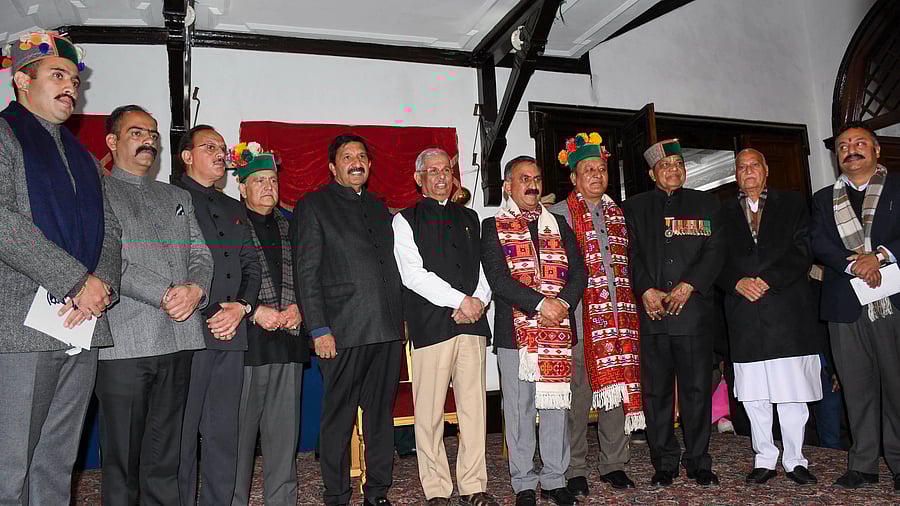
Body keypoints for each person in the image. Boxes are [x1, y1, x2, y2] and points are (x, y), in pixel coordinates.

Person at [0, 31, 122, 505]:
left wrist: (100, 286)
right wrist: (75, 280)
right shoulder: (5, 136)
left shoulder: (85, 158)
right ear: (21, 81)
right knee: (9, 464)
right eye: (58, 75)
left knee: (57, 461)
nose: (71, 87)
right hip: (20, 326)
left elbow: (110, 229)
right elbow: (4, 220)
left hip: (82, 322)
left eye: (74, 79)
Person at [98, 104, 213, 505]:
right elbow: (106, 258)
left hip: (179, 339)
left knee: (166, 459)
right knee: (123, 463)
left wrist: (196, 290)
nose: (148, 140)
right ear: (112, 141)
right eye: (137, 133)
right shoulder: (97, 191)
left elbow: (201, 254)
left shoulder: (176, 195)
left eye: (152, 134)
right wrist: (164, 293)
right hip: (124, 345)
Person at [292, 134, 404, 506]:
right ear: (332, 167)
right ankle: (336, 494)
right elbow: (306, 273)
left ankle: (377, 492)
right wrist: (318, 328)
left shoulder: (378, 207)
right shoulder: (314, 206)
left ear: (369, 165)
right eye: (347, 157)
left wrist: (399, 322)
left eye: (361, 156)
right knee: (338, 419)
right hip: (341, 331)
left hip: (386, 329)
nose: (356, 162)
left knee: (380, 417)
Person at [392, 148, 498, 506]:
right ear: (418, 178)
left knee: (474, 410)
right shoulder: (405, 220)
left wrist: (478, 301)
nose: (441, 177)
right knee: (429, 413)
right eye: (432, 171)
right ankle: (436, 489)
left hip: (472, 325)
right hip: (431, 326)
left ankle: (473, 486)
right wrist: (461, 301)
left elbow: (484, 269)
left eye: (446, 171)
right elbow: (413, 275)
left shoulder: (470, 216)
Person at [481, 155, 586, 506]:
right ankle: (524, 482)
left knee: (556, 406)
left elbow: (579, 272)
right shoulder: (492, 226)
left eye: (537, 179)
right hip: (516, 335)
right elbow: (498, 279)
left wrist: (563, 304)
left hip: (558, 329)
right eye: (524, 179)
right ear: (508, 186)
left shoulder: (558, 224)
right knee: (519, 409)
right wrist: (542, 304)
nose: (532, 185)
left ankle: (555, 479)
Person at [716, 148, 822, 486]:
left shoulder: (792, 203)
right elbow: (713, 259)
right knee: (754, 395)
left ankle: (795, 460)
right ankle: (764, 458)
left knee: (792, 393)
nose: (748, 171)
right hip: (744, 314)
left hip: (787, 311)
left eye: (754, 165)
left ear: (766, 170)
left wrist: (768, 280)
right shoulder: (721, 211)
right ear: (736, 175)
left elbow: (803, 250)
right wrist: (736, 282)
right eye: (741, 167)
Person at [622, 139, 724, 487]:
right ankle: (663, 461)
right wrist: (645, 290)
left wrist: (689, 284)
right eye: (665, 165)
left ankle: (698, 461)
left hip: (692, 313)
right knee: (656, 393)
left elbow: (715, 250)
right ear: (652, 174)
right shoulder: (634, 207)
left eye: (678, 164)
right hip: (652, 315)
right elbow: (628, 253)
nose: (673, 170)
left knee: (697, 390)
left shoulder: (707, 204)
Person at [549, 133, 643, 497]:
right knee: (579, 396)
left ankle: (614, 463)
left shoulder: (620, 213)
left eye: (601, 169)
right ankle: (575, 467)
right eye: (588, 170)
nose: (596, 175)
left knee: (615, 391)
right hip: (578, 319)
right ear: (573, 177)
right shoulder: (557, 214)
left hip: (619, 320)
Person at [810, 122, 900, 490]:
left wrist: (879, 257)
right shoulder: (822, 199)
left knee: (897, 385)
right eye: (844, 145)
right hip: (845, 304)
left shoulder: (897, 188)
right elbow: (818, 242)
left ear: (876, 150)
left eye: (860, 142)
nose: (851, 149)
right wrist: (855, 265)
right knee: (856, 387)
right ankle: (863, 464)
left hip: (893, 302)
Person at [175, 125, 261, 506]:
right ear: (187, 156)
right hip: (188, 331)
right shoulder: (171, 198)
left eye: (222, 148)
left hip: (232, 330)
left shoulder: (233, 207)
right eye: (209, 147)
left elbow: (251, 266)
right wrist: (212, 310)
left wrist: (241, 307)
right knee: (182, 432)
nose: (220, 155)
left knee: (224, 431)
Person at [231, 144, 306, 506]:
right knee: (238, 442)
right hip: (245, 346)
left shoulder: (293, 225)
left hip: (288, 343)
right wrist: (253, 311)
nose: (267, 187)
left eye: (273, 180)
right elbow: (220, 279)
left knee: (284, 440)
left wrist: (301, 309)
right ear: (242, 187)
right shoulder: (230, 224)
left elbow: (311, 276)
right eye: (259, 180)